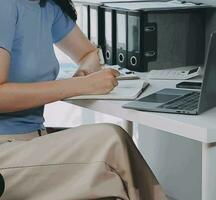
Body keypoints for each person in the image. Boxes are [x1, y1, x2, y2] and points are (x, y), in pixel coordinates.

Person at [0, 0, 166, 199]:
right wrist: (82, 85)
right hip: (6, 151)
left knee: (115, 159)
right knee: (111, 141)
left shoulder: (47, 8)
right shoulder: (5, 6)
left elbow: (89, 53)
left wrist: (85, 74)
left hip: (33, 140)